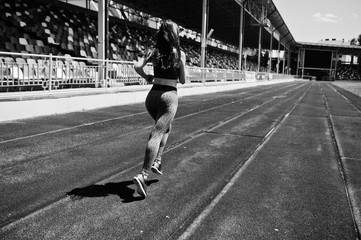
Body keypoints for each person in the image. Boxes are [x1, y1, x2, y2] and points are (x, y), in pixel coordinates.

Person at [133, 19, 186, 197]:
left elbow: (137, 66)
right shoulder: (179, 53)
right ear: (173, 33)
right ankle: (144, 174)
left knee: (166, 127)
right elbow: (183, 80)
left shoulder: (153, 50)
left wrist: (147, 76)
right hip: (169, 97)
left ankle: (157, 161)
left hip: (152, 95)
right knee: (157, 133)